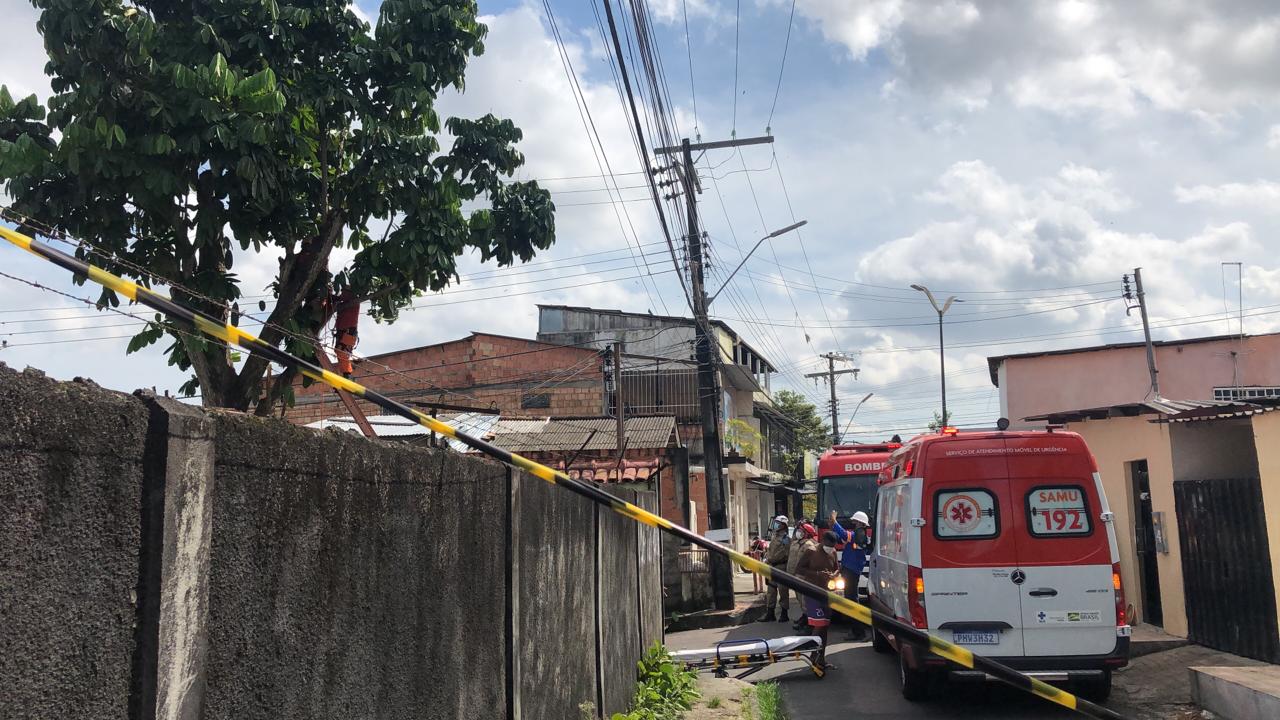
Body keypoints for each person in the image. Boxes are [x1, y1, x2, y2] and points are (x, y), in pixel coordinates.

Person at [795, 529, 841, 667]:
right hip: (812, 592)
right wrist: (817, 574)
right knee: (818, 625)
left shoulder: (832, 552)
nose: (830, 549)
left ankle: (821, 658)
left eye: (833, 546)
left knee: (825, 627)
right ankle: (813, 655)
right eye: (828, 545)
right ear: (822, 541)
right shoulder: (811, 551)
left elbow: (837, 568)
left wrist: (834, 574)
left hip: (827, 593)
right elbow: (799, 569)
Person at [832, 509, 872, 640]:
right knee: (851, 601)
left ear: (859, 523)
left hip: (851, 571)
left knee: (852, 603)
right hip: (850, 570)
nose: (853, 523)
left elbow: (843, 534)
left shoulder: (857, 535)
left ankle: (859, 632)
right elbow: (842, 538)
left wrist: (834, 522)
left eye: (855, 521)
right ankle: (856, 631)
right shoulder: (859, 536)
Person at [760, 516, 791, 622]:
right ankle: (770, 613)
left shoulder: (786, 539)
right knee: (771, 591)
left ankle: (784, 613)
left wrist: (773, 559)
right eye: (775, 522)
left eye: (778, 523)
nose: (775, 524)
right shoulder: (774, 536)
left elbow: (785, 553)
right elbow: (770, 552)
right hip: (772, 567)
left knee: (783, 591)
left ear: (783, 525)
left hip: (781, 567)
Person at [787, 520, 815, 631]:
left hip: (803, 577)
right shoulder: (796, 542)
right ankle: (804, 618)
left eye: (801, 531)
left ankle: (809, 623)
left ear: (806, 533)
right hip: (794, 575)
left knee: (805, 601)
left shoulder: (809, 545)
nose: (798, 532)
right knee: (799, 599)